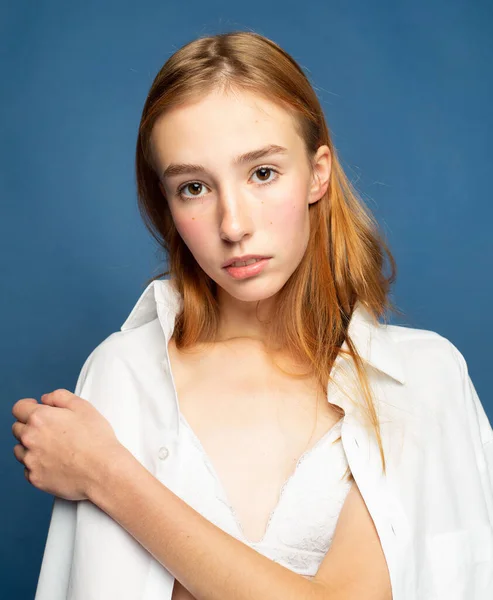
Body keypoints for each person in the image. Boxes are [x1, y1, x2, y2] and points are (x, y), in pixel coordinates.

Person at [12, 31, 493, 600]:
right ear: (166, 204)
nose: (233, 224)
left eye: (262, 173)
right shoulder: (123, 375)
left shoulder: (422, 378)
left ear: (318, 173)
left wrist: (108, 475)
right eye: (193, 187)